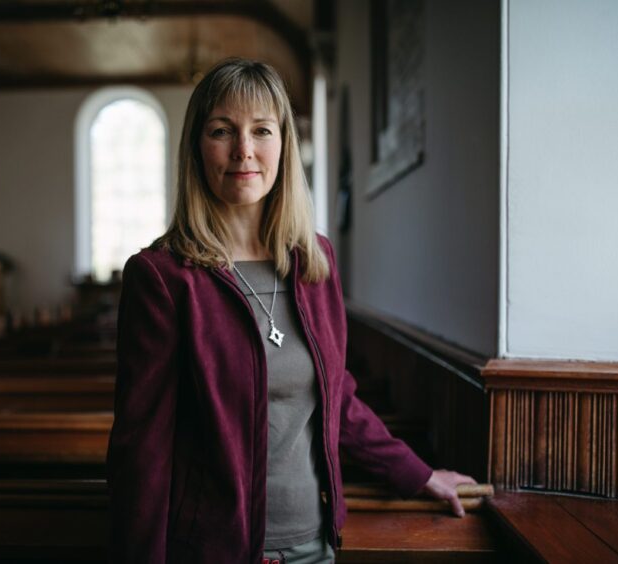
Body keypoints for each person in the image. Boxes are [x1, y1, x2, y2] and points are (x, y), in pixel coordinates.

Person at [106, 58, 476, 563]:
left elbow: (336, 398)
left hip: (314, 544)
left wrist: (417, 473)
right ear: (196, 144)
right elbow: (142, 447)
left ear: (284, 143)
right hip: (215, 551)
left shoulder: (313, 260)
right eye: (222, 131)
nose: (244, 150)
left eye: (261, 130)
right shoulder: (163, 278)